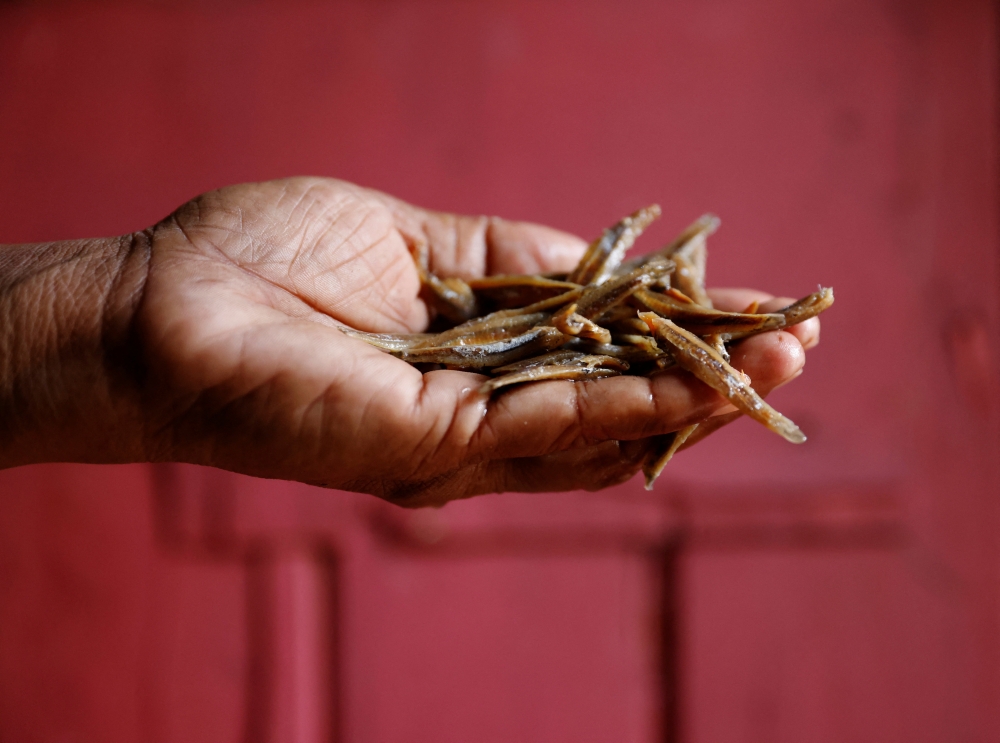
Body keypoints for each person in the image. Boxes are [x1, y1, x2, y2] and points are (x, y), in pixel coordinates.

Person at [0, 177, 817, 506]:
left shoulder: (632, 314)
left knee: (752, 349)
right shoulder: (508, 317)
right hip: (475, 339)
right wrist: (133, 301)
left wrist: (127, 307)